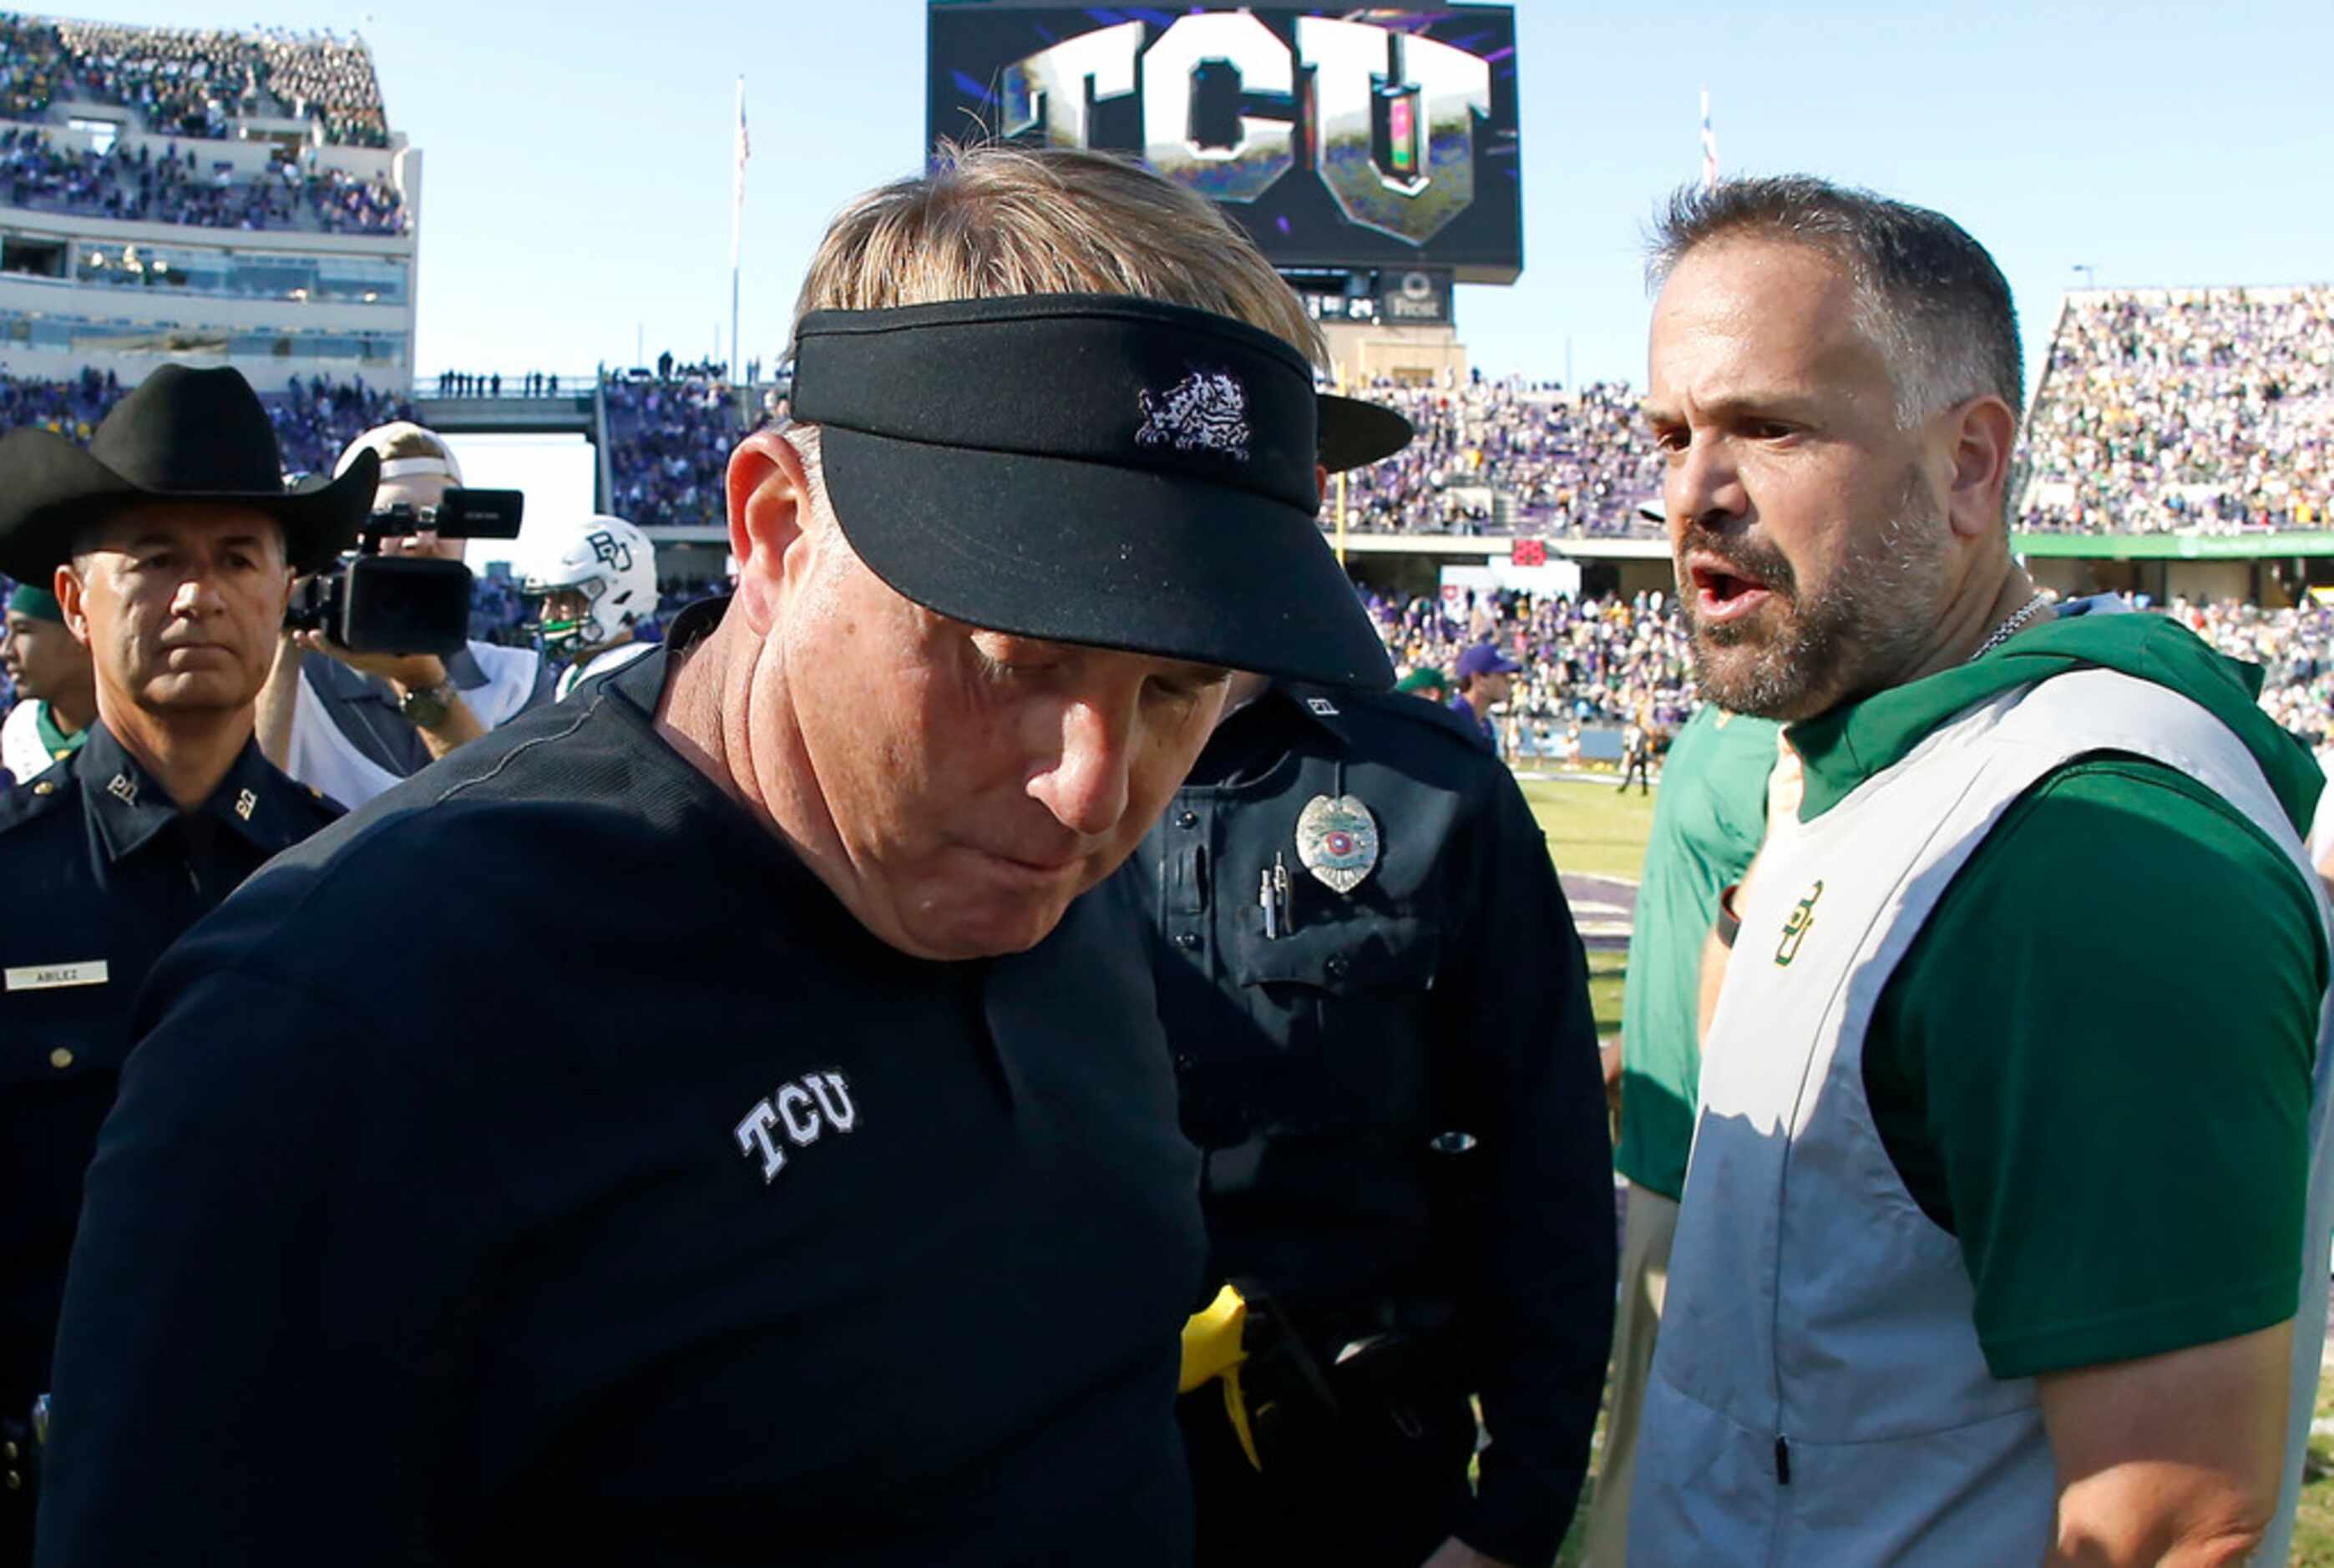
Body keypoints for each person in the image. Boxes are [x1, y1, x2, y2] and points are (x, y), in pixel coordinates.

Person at [36, 144, 1403, 1568]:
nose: (1092, 789)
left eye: (1181, 691)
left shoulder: (1050, 876)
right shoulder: (344, 1031)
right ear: (775, 528)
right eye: (1015, 659)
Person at [1628, 175, 2334, 1564]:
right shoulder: (1855, 760)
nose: (1696, 494)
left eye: (1770, 427)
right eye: (1671, 433)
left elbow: (2173, 1520)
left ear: (1967, 463)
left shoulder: (2078, 852)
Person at [0, 365, 358, 1565]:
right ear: (76, 597)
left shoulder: (370, 884)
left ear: (284, 593)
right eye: (152, 557)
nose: (198, 592)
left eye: (237, 557)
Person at [1143, 668, 1616, 1568]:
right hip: (1065, 1470)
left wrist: (1517, 1511)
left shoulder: (1427, 782)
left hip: (1355, 1465)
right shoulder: (1007, 760)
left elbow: (1543, 1165)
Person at [1580, 702, 1777, 1565]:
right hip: (1664, 1135)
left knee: (1712, 1456)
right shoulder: (1714, 714)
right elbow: (1695, 913)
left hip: (1733, 1154)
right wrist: (1628, 1053)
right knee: (1642, 1433)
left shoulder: (1799, 733)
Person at [256, 420, 550, 807]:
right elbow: (251, 813)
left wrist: (425, 685)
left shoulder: (516, 679)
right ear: (345, 538)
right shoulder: (301, 676)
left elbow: (524, 826)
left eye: (442, 517)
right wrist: (287, 628)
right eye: (394, 519)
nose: (421, 540)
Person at [519, 512, 659, 700]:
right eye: (546, 601)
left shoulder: (635, 671)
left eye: (563, 600)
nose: (546, 615)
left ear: (618, 597)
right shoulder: (577, 671)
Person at [0, 584, 94, 781]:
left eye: (23, 630)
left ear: (77, 632)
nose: (5, 651)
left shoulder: (139, 727)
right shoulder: (20, 729)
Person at [1447, 642, 1516, 754]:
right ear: (1478, 678)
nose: (1508, 682)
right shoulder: (1454, 722)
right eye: (1502, 675)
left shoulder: (1484, 724)